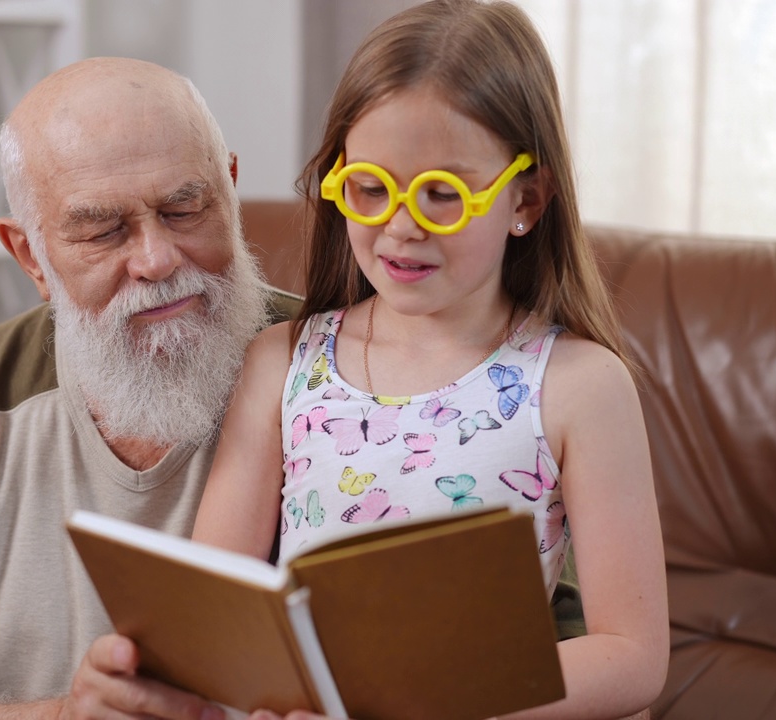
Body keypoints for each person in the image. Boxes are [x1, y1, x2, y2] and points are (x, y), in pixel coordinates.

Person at [0, 56, 586, 720]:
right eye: (101, 230)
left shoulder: (363, 375)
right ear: (32, 256)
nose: (156, 259)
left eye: (185, 207)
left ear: (231, 189)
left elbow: (556, 656)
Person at [193, 1, 668, 719]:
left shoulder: (581, 387)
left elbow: (631, 655)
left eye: (441, 195)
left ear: (527, 200)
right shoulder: (281, 363)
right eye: (370, 189)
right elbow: (213, 602)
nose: (401, 226)